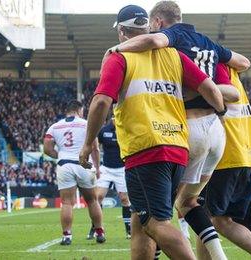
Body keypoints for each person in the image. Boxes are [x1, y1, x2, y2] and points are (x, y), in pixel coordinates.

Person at [79, 4, 226, 259]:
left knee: (155, 223)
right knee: (140, 220)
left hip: (145, 148)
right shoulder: (174, 56)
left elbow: (101, 102)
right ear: (147, 28)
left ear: (122, 32)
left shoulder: (119, 57)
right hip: (177, 149)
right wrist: (222, 113)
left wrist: (87, 143)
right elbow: (211, 90)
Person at [199, 63, 251, 260]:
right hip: (248, 159)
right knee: (215, 220)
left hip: (226, 159)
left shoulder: (215, 75)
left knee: (210, 220)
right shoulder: (235, 77)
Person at [44, 100, 104, 245]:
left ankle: (67, 236)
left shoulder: (54, 127)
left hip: (65, 165)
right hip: (84, 164)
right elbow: (95, 148)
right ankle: (99, 232)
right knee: (92, 201)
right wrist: (97, 167)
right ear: (80, 110)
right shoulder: (86, 124)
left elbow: (47, 148)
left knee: (67, 203)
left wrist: (59, 155)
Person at [92, 116, 132, 239]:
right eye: (115, 117)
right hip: (106, 169)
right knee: (97, 197)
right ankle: (95, 228)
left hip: (121, 169)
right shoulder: (104, 131)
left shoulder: (126, 129)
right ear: (112, 118)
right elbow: (95, 146)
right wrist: (96, 166)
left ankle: (129, 231)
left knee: (125, 199)